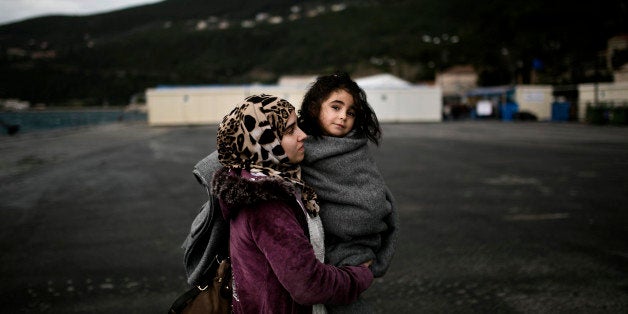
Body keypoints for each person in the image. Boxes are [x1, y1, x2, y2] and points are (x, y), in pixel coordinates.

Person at [208, 94, 373, 313]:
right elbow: (309, 285)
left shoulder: (249, 178)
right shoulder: (267, 204)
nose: (302, 135)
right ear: (264, 141)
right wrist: (359, 274)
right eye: (289, 130)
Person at [298, 72, 399, 313]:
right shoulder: (298, 146)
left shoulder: (357, 146)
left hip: (363, 251)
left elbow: (381, 196)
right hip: (329, 256)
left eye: (351, 112)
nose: (343, 116)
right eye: (335, 107)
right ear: (315, 107)